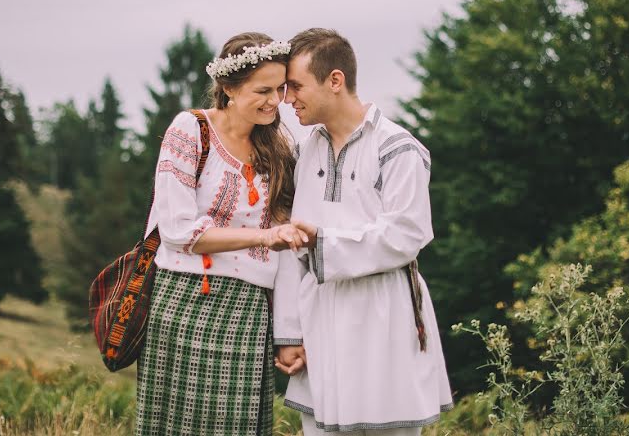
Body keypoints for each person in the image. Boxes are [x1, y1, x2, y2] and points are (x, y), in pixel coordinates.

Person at [274, 28, 454, 435]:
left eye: (296, 86)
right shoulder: (304, 153)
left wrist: (325, 244)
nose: (287, 99)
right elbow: (289, 247)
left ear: (334, 80)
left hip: (383, 317)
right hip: (319, 321)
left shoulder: (397, 148)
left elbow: (407, 234)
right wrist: (289, 332)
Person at [135, 32, 307, 436]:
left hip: (248, 311)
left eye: (280, 89)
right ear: (228, 88)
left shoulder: (280, 148)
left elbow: (285, 252)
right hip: (183, 302)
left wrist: (287, 332)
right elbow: (177, 230)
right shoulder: (191, 130)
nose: (275, 100)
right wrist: (262, 237)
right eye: (262, 90)